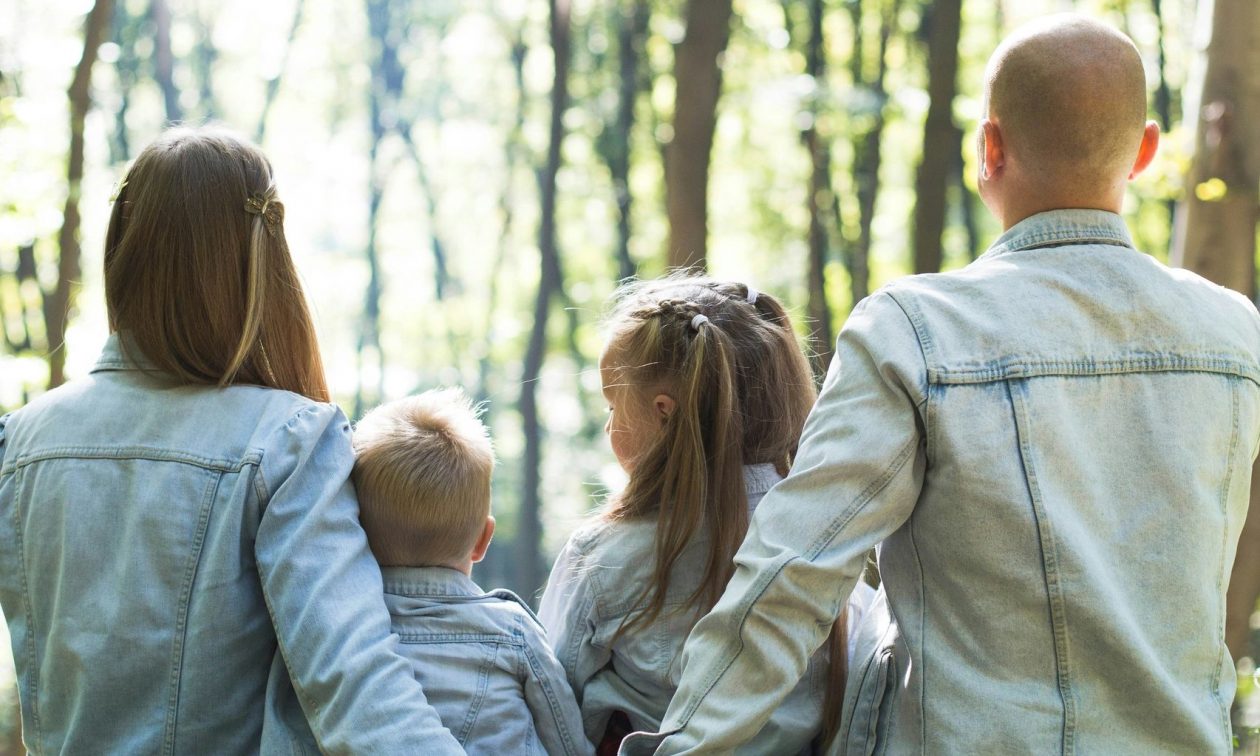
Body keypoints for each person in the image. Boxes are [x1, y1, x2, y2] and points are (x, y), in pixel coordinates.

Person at [620, 15, 1260, 755]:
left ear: (989, 149)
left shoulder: (916, 332)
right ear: (1146, 151)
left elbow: (793, 574)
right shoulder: (1235, 336)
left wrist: (684, 744)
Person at [0, 127, 462, 753]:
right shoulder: (288, 441)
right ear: (262, 261)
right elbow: (358, 691)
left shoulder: (21, 444)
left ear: (122, 250)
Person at [539, 276, 876, 754]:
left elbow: (550, 705)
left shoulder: (602, 560)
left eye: (613, 406)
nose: (610, 425)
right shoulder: (830, 549)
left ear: (663, 413)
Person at [351, 387, 592, 756]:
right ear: (483, 539)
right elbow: (568, 741)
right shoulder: (511, 632)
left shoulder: (345, 631)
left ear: (355, 533)